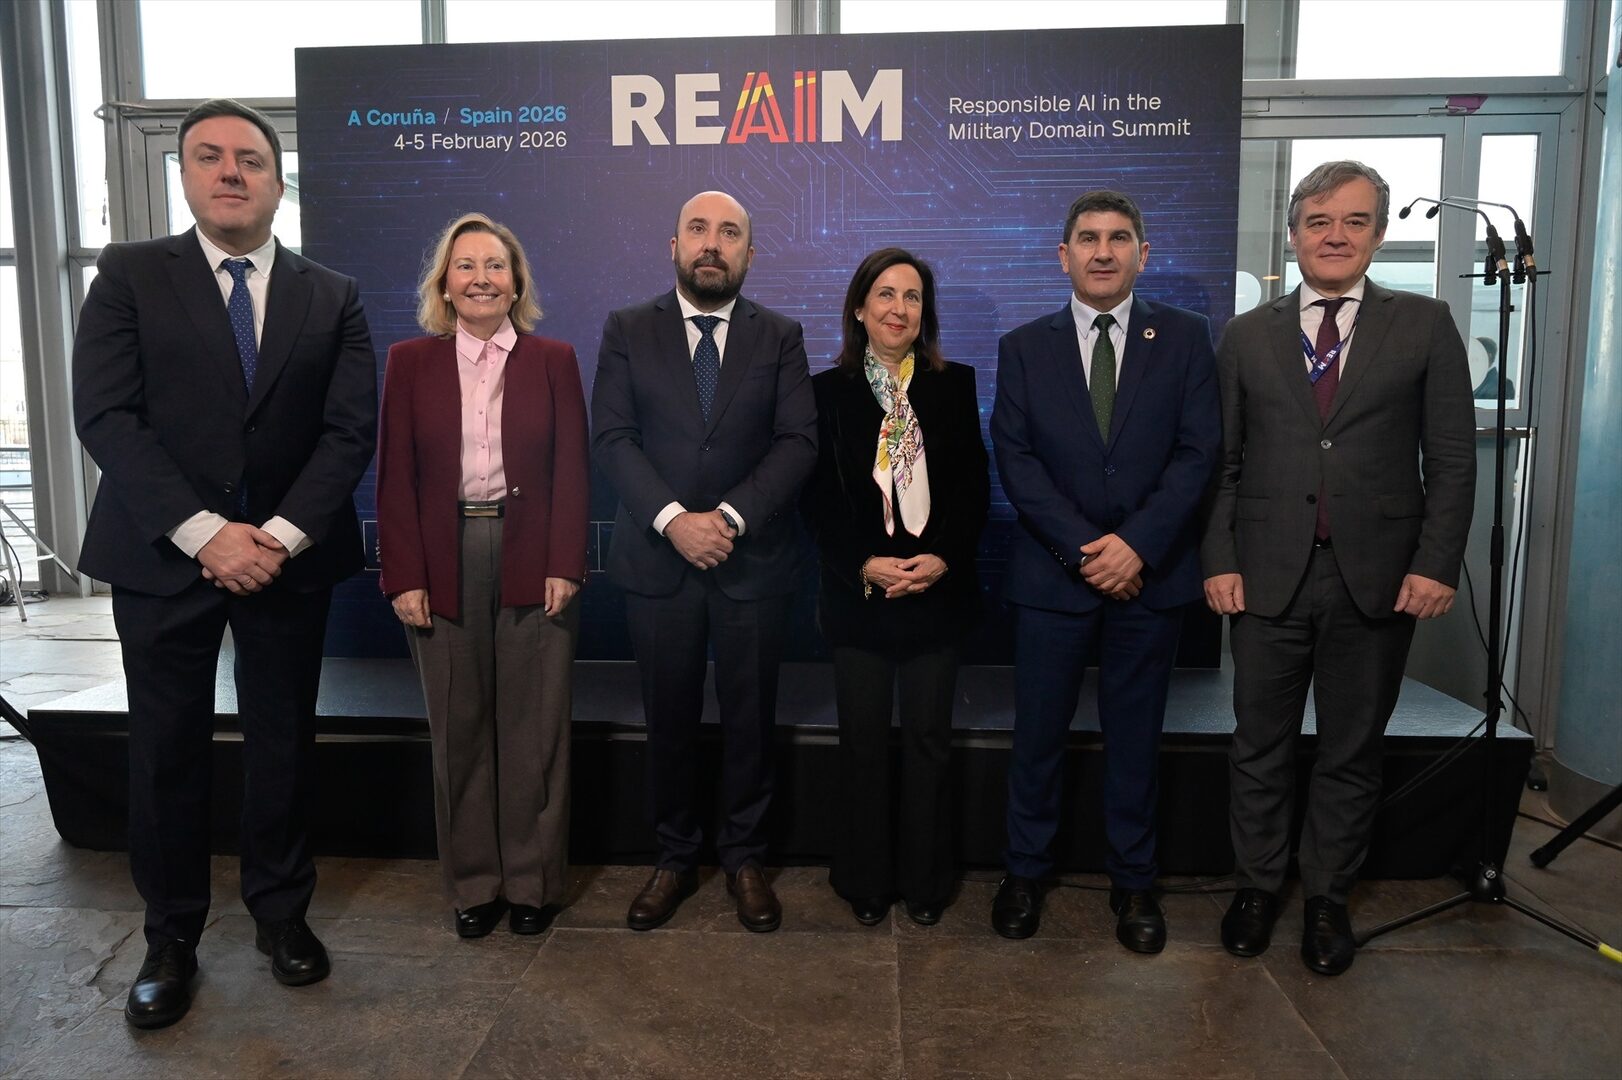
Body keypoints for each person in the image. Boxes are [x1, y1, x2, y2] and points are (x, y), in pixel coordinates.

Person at [71, 99, 377, 1028]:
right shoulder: (128, 274)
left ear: (279, 183)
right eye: (209, 156)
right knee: (165, 750)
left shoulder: (333, 293)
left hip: (286, 561)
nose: (230, 171)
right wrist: (207, 532)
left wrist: (274, 536)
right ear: (185, 175)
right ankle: (170, 937)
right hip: (163, 557)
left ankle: (282, 915)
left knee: (283, 742)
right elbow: (107, 416)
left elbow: (348, 431)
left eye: (250, 158)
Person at [1201, 160, 1476, 976]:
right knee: (1259, 744)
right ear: (1293, 235)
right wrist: (1219, 557)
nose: (1335, 236)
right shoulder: (1246, 334)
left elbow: (1452, 461)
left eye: (1354, 221)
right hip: (1267, 573)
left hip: (1379, 576)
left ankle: (1326, 897)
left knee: (1352, 748)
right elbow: (1224, 462)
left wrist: (1437, 563)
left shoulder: (1424, 323)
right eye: (1318, 221)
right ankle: (1257, 887)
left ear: (1378, 235)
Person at [989, 190, 1220, 952]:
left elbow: (1198, 453)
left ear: (1142, 255)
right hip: (1053, 579)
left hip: (1149, 579)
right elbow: (1017, 462)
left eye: (1119, 238)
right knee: (1037, 738)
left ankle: (1134, 881)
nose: (1102, 251)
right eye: (1087, 238)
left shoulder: (1184, 337)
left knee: (1136, 739)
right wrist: (1090, 550)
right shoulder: (1025, 346)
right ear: (1064, 256)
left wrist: (1136, 547)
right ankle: (1025, 873)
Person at [592, 190, 817, 933]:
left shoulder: (780, 336)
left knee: (751, 720)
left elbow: (798, 443)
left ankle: (745, 859)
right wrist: (673, 522)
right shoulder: (627, 329)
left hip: (751, 561)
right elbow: (613, 438)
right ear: (674, 246)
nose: (711, 243)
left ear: (750, 253)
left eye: (728, 233)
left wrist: (725, 520)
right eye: (698, 229)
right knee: (668, 719)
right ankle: (674, 856)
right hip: (659, 563)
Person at [375, 213, 589, 939]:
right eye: (465, 266)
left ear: (516, 282)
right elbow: (394, 477)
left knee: (534, 731)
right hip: (443, 556)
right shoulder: (409, 362)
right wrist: (404, 575)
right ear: (444, 285)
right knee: (459, 729)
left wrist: (565, 562)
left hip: (533, 552)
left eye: (495, 266)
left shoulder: (554, 359)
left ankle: (531, 883)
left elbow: (573, 469)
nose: (481, 279)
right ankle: (474, 885)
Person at [802, 248, 989, 927]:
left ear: (924, 313)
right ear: (859, 307)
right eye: (885, 294)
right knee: (862, 744)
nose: (899, 309)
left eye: (912, 297)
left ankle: (926, 884)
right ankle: (865, 881)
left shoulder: (953, 385)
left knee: (929, 742)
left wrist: (942, 559)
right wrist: (862, 564)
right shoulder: (825, 392)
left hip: (936, 594)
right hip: (861, 597)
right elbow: (817, 499)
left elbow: (973, 487)